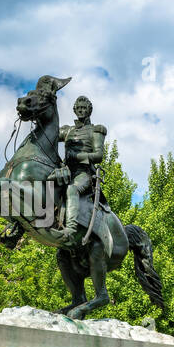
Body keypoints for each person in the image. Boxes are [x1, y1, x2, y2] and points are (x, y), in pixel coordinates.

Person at [56, 95, 106, 245]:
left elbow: (98, 155)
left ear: (90, 110)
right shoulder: (67, 131)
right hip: (66, 171)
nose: (81, 111)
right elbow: (49, 134)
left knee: (72, 190)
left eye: (84, 108)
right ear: (74, 110)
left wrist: (77, 156)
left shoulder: (96, 130)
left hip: (83, 173)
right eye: (79, 108)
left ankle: (71, 228)